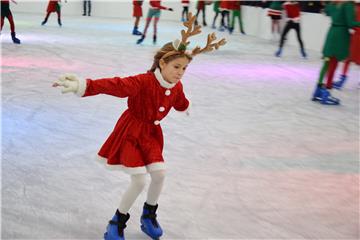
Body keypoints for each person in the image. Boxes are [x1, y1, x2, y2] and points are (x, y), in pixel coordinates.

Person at [52, 12, 226, 240]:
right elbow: (117, 85)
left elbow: (180, 101)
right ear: (162, 63)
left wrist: (185, 107)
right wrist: (84, 85)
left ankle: (148, 216)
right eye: (176, 67)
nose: (181, 73)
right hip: (131, 132)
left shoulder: (177, 87)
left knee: (160, 174)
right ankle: (117, 222)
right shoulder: (143, 82)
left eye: (184, 69)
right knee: (139, 179)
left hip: (152, 135)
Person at [312, 1, 360, 105]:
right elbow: (351, 23)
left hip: (331, 33)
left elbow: (326, 12)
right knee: (333, 65)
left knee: (326, 62)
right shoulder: (347, 5)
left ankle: (317, 90)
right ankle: (326, 93)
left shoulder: (332, 4)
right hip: (340, 36)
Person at [333, 1, 360, 89]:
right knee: (349, 58)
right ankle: (342, 80)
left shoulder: (353, 7)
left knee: (349, 58)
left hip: (356, 35)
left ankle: (342, 80)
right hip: (354, 35)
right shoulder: (353, 6)